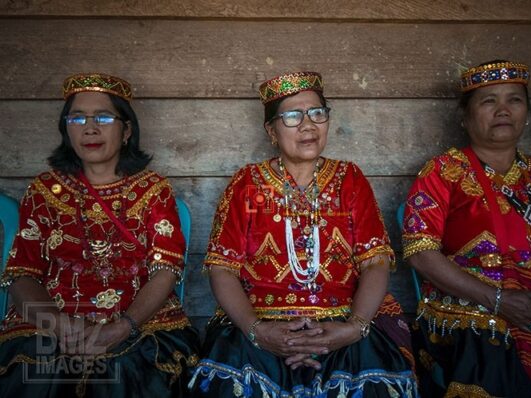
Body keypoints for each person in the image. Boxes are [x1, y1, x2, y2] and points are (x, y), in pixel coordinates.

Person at [190, 72, 418, 397]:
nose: (308, 125)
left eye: (317, 113)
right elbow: (222, 268)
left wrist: (354, 327)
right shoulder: (247, 184)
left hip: (342, 321)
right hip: (260, 325)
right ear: (271, 130)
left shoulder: (349, 179)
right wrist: (257, 331)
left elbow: (375, 262)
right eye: (293, 116)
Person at [402, 60, 531, 397]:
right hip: (476, 306)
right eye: (489, 101)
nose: (503, 110)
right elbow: (421, 253)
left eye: (515, 100)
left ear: (527, 112)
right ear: (465, 118)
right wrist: (497, 300)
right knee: (493, 349)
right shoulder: (444, 171)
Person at [0, 73, 200, 397]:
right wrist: (59, 325)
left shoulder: (152, 190)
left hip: (138, 325)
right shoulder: (43, 191)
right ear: (66, 129)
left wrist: (122, 327)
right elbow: (22, 275)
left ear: (127, 130)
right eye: (77, 118)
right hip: (53, 327)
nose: (89, 128)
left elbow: (166, 270)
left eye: (103, 117)